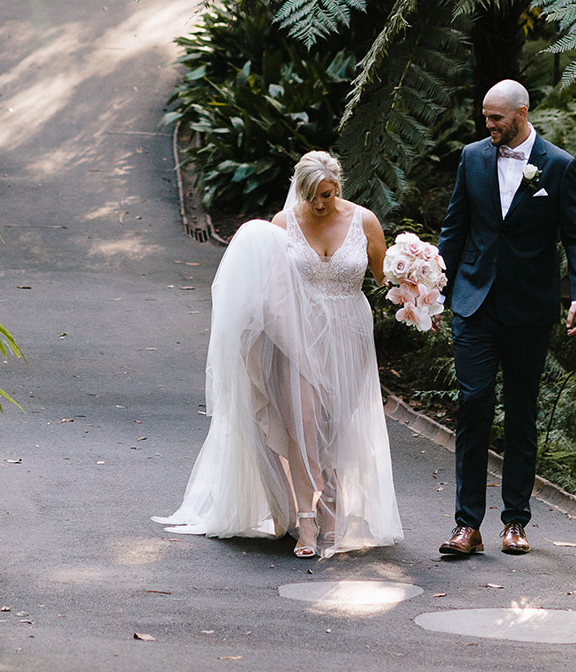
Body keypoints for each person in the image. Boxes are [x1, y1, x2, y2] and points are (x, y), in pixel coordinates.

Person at [154, 150, 402, 559]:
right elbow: (266, 288)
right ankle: (306, 518)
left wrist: (414, 283)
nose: (319, 204)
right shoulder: (283, 225)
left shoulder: (365, 221)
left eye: (326, 194)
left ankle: (334, 512)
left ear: (338, 187)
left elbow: (383, 278)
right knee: (302, 423)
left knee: (336, 423)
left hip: (349, 333)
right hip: (298, 335)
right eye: (310, 196)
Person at [437, 78, 576, 558]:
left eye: (495, 118)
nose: (488, 125)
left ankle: (515, 522)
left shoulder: (559, 167)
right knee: (474, 403)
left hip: (528, 310)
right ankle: (467, 526)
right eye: (485, 117)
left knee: (522, 414)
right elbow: (455, 225)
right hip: (474, 304)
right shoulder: (472, 158)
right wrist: (432, 288)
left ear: (521, 114)